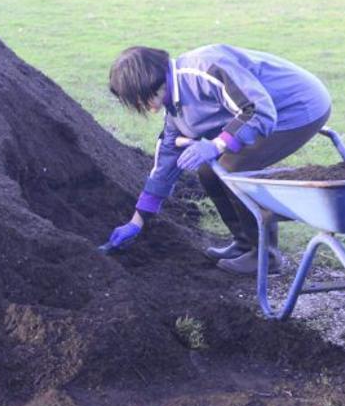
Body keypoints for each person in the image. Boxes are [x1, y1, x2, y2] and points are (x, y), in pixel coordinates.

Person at [104, 44, 332, 274]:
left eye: (136, 100)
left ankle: (266, 256)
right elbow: (165, 165)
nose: (139, 107)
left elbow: (259, 112)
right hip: (268, 115)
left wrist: (217, 144)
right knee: (208, 171)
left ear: (148, 86)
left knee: (232, 167)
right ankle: (245, 242)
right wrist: (137, 221)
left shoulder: (206, 69)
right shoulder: (174, 109)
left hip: (298, 108)